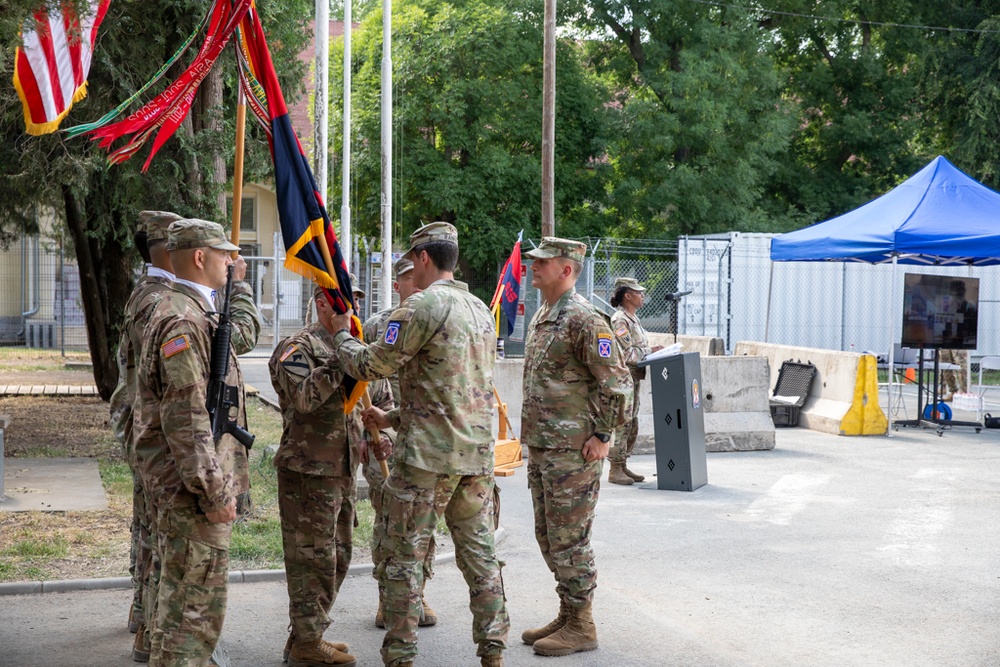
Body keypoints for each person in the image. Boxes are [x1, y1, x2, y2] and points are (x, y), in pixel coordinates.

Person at [325, 222, 509, 667]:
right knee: (480, 556)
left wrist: (338, 335)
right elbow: (456, 392)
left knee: (403, 556)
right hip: (474, 456)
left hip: (426, 458)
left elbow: (372, 363)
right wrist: (390, 417)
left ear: (422, 258)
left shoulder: (420, 307)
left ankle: (402, 656)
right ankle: (493, 651)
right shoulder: (479, 308)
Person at [133, 219, 261, 667]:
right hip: (191, 494)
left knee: (178, 610)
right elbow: (186, 419)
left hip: (185, 487)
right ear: (201, 257)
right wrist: (213, 493)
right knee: (194, 617)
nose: (232, 260)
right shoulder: (182, 320)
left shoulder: (190, 310)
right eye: (224, 252)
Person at [269, 285, 394, 667]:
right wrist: (342, 356)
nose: (352, 308)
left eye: (354, 301)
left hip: (342, 472)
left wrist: (384, 434)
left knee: (337, 557)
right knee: (312, 560)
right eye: (343, 302)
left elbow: (383, 400)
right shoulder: (297, 348)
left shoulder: (357, 348)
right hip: (308, 473)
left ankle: (306, 635)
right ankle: (308, 643)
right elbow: (304, 398)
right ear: (322, 305)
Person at [520, 237, 632, 657]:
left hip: (574, 451)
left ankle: (582, 624)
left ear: (566, 269)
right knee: (548, 536)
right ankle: (568, 612)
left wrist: (603, 436)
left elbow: (619, 384)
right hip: (546, 446)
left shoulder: (585, 319)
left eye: (542, 262)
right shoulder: (545, 314)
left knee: (570, 539)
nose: (533, 266)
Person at [109, 210, 182, 662]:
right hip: (156, 433)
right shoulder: (159, 299)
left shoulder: (147, 291)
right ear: (167, 250)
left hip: (142, 427)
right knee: (159, 533)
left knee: (146, 526)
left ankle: (141, 612)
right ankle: (150, 628)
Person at [360, 257, 439, 630]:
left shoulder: (439, 318)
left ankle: (417, 591)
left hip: (424, 444)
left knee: (424, 523)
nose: (418, 285)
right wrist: (377, 437)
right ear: (398, 286)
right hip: (384, 440)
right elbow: (361, 390)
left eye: (420, 278)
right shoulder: (379, 326)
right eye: (409, 280)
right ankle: (386, 597)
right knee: (388, 521)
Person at [608, 277, 662, 486]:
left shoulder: (633, 319)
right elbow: (628, 352)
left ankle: (622, 464)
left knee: (632, 421)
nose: (642, 296)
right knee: (623, 421)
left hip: (635, 375)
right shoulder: (620, 320)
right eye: (638, 292)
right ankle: (614, 468)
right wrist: (651, 351)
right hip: (625, 376)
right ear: (627, 295)